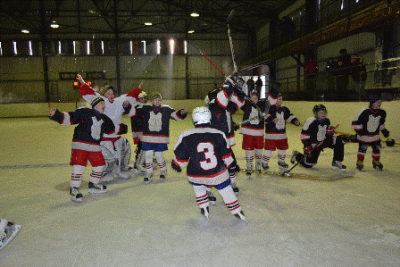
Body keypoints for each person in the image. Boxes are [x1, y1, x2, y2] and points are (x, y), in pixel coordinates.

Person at [172, 106, 246, 221]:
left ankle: (204, 208)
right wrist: (232, 165)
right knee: (226, 190)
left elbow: (181, 155)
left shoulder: (186, 135)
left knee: (199, 187)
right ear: (209, 118)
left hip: (195, 173)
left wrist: (177, 164)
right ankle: (237, 212)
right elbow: (226, 155)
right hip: (216, 173)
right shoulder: (218, 134)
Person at [48, 96, 124, 202]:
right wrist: (57, 115)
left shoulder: (104, 118)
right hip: (81, 144)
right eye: (102, 103)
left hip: (95, 146)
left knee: (99, 165)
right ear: (95, 105)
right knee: (79, 166)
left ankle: (93, 185)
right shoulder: (85, 112)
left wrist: (124, 128)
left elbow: (112, 128)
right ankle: (74, 189)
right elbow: (71, 118)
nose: (104, 105)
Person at [76, 74, 142, 182]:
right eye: (108, 93)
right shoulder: (101, 102)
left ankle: (121, 170)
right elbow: (90, 93)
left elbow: (129, 96)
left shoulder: (119, 102)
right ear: (104, 95)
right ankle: (106, 173)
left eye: (112, 93)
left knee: (122, 153)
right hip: (105, 138)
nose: (111, 95)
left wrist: (138, 90)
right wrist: (83, 82)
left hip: (117, 137)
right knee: (108, 159)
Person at [124, 92, 188, 184]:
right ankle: (149, 173)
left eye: (159, 100)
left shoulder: (166, 109)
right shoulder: (146, 108)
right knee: (148, 155)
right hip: (148, 138)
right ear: (152, 101)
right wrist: (127, 106)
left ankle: (163, 170)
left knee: (159, 156)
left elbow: (176, 115)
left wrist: (182, 112)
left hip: (160, 138)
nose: (157, 101)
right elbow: (133, 112)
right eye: (155, 100)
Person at [205, 75, 246, 194]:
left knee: (231, 165)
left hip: (225, 142)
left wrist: (238, 90)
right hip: (216, 143)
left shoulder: (225, 106)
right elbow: (223, 97)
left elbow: (238, 103)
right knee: (215, 168)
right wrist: (229, 84)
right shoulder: (214, 106)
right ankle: (208, 189)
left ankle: (232, 183)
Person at [291, 104, 346, 170]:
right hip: (313, 145)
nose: (323, 114)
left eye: (324, 112)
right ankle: (297, 155)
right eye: (321, 112)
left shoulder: (326, 121)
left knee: (339, 140)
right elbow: (304, 135)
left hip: (322, 142)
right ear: (316, 113)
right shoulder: (310, 121)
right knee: (309, 164)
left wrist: (329, 131)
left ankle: (336, 161)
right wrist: (308, 146)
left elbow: (323, 132)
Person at [263, 94, 300, 172]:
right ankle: (265, 163)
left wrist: (294, 120)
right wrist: (272, 119)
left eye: (281, 99)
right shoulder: (269, 109)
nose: (281, 101)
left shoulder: (285, 109)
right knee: (269, 149)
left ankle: (281, 161)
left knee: (282, 148)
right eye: (279, 99)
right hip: (271, 134)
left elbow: (289, 116)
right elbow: (265, 117)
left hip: (282, 134)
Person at [352, 95, 390, 171]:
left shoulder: (382, 112)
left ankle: (376, 161)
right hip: (364, 136)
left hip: (375, 136)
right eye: (378, 101)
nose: (380, 103)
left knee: (377, 149)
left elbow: (381, 123)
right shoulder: (365, 111)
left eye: (380, 101)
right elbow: (355, 122)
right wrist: (360, 131)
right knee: (362, 149)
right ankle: (360, 161)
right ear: (372, 103)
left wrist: (384, 131)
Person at [239, 91, 269, 177]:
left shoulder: (261, 107)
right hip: (248, 132)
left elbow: (267, 111)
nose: (254, 100)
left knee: (259, 150)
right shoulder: (247, 106)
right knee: (249, 151)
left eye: (255, 98)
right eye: (252, 98)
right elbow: (240, 103)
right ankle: (249, 167)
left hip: (259, 132)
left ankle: (258, 165)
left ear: (258, 99)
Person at [129, 91, 148, 173]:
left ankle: (142, 162)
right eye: (141, 98)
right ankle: (137, 165)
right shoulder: (136, 107)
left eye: (144, 98)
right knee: (142, 147)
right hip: (139, 131)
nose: (143, 100)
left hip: (144, 130)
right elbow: (137, 120)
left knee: (142, 147)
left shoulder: (143, 106)